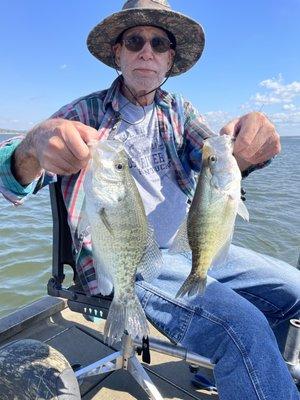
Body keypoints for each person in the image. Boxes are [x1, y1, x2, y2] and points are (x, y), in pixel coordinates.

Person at [0, 1, 299, 399]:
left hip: (189, 246)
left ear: (169, 59)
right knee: (242, 326)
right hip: (125, 258)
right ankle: (242, 359)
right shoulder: (82, 114)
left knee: (293, 288)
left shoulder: (179, 111)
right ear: (117, 53)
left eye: (159, 43)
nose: (147, 50)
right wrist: (32, 148)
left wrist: (248, 143)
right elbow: (11, 174)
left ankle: (226, 372)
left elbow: (214, 157)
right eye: (135, 40)